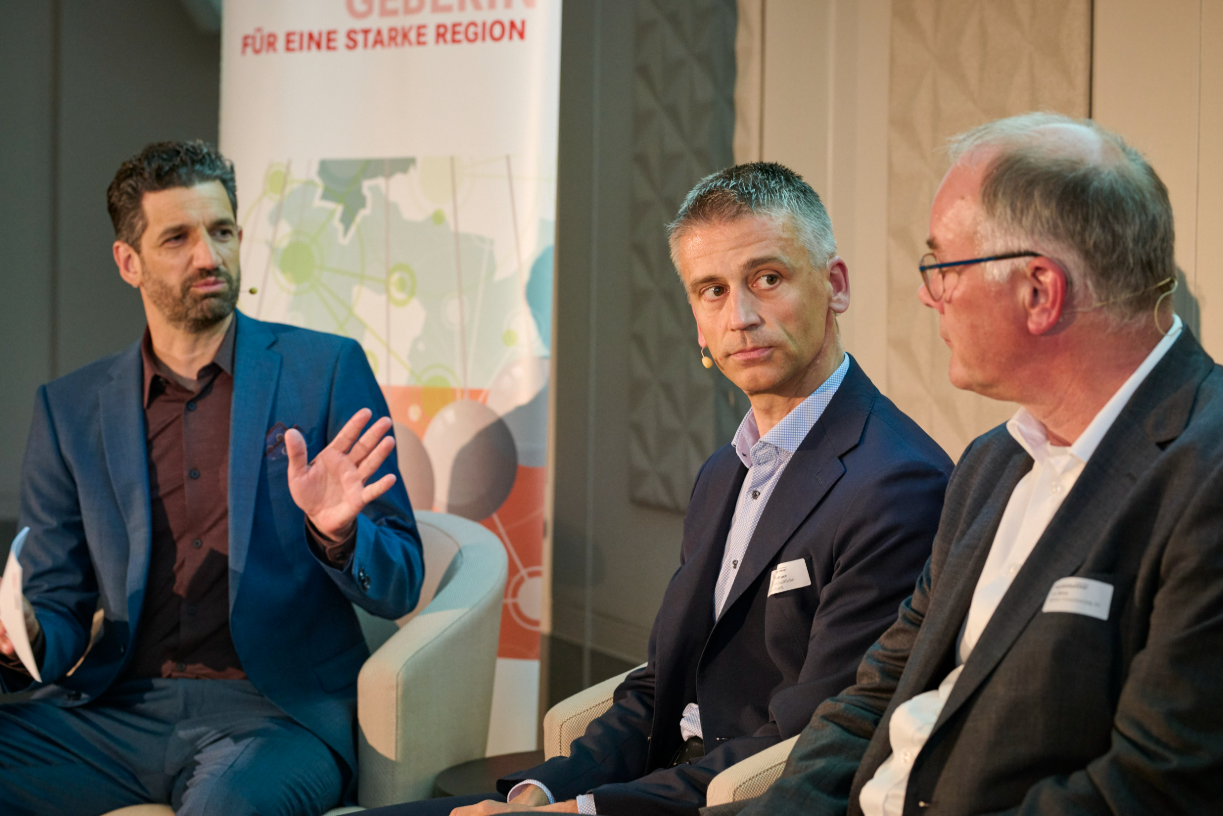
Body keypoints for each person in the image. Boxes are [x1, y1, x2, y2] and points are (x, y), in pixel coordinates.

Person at [365, 162, 952, 816]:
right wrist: (541, 791)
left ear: (835, 285)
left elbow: (809, 736)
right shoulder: (721, 472)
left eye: (768, 278)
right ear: (696, 324)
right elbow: (656, 688)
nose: (742, 316)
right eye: (711, 291)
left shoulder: (897, 482)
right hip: (646, 787)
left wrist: (578, 813)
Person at [712, 113, 1223, 816]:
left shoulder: (1206, 472)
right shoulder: (990, 464)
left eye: (942, 267)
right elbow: (875, 694)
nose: (928, 296)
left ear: (1038, 292)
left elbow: (1151, 788)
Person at [0, 141, 425, 816]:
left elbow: (402, 578)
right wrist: (16, 639)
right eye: (178, 238)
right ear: (128, 261)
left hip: (273, 714)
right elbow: (58, 599)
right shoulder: (70, 409)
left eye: (221, 231)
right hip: (115, 714)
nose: (209, 255)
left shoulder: (326, 370)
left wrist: (339, 536)